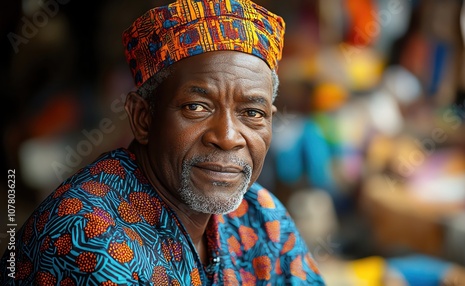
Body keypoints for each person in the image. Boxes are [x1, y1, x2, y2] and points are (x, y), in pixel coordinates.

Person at [0, 0, 326, 285]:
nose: (227, 137)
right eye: (196, 107)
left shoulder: (258, 214)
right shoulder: (87, 235)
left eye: (252, 112)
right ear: (143, 118)